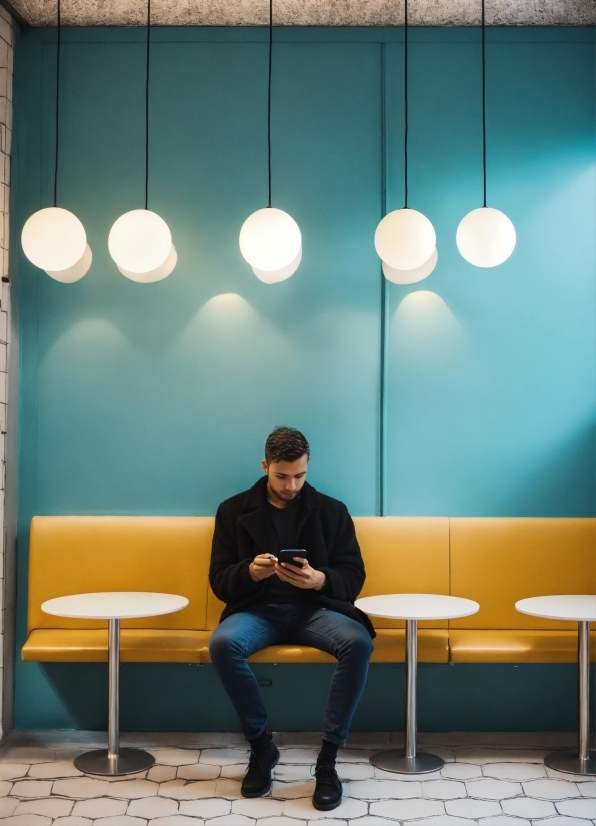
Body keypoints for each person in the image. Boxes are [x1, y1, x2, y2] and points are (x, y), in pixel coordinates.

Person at [209, 426, 374, 811]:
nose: (291, 485)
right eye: (282, 476)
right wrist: (249, 572)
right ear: (265, 466)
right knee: (222, 643)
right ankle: (262, 748)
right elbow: (219, 581)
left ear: (308, 466)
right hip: (257, 610)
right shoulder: (232, 511)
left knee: (358, 641)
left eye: (300, 475)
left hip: (316, 610)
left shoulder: (332, 511)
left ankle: (328, 761)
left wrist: (320, 579)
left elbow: (353, 576)